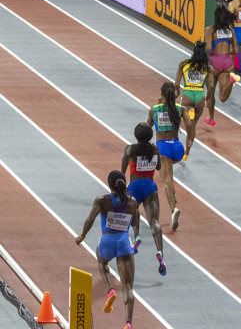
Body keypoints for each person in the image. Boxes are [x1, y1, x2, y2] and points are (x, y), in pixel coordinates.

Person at [75, 170, 139, 329]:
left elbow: (90, 219)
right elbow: (134, 223)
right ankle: (128, 323)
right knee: (128, 287)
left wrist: (82, 236)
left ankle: (110, 289)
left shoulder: (102, 200)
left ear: (109, 184)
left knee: (101, 261)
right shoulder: (132, 202)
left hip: (107, 242)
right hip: (124, 242)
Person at [146, 82, 195, 231]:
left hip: (163, 148)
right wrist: (189, 143)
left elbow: (147, 130)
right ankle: (171, 195)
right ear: (174, 95)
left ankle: (173, 209)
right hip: (177, 148)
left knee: (168, 181)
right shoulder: (181, 109)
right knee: (164, 171)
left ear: (161, 94)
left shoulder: (154, 110)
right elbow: (190, 127)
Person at [121, 123, 166, 276]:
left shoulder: (130, 149)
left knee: (133, 212)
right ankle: (160, 251)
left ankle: (137, 234)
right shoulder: (155, 149)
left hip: (134, 186)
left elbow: (122, 171)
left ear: (136, 136)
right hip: (150, 186)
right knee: (154, 222)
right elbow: (159, 167)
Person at [204, 4, 241, 126]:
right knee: (222, 98)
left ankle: (212, 118)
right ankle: (231, 81)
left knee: (211, 92)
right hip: (227, 63)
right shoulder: (231, 31)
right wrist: (226, 53)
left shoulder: (210, 30)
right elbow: (236, 51)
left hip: (214, 63)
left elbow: (208, 48)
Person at [175, 40, 211, 135]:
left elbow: (176, 84)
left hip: (187, 94)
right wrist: (208, 98)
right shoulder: (207, 67)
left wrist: (177, 92)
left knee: (188, 123)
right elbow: (211, 86)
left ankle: (188, 142)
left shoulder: (184, 64)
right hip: (200, 95)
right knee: (193, 124)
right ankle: (189, 146)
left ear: (193, 50)